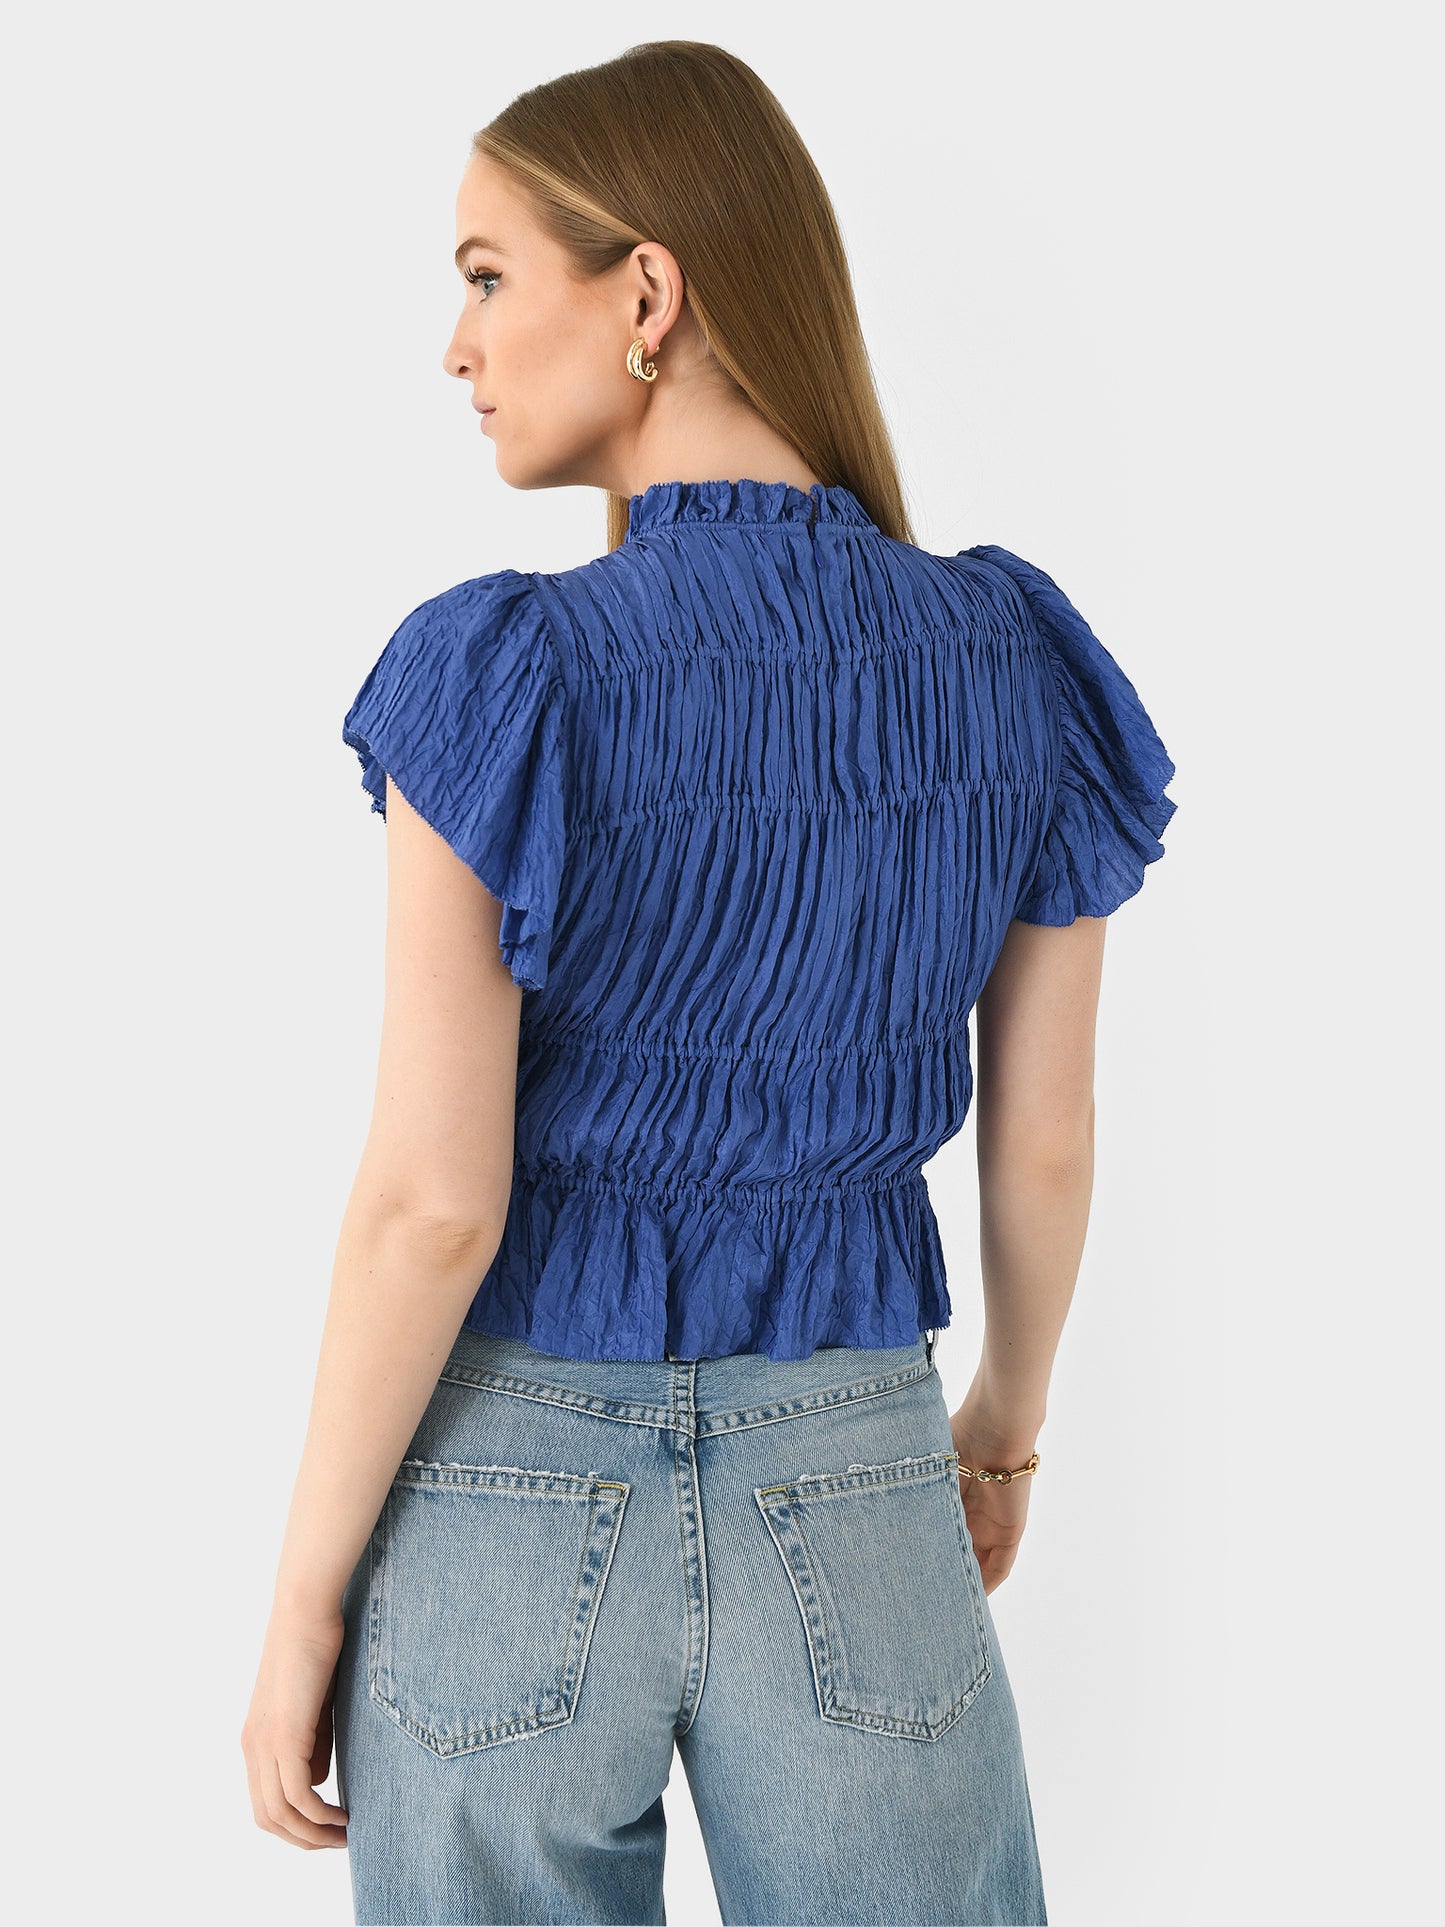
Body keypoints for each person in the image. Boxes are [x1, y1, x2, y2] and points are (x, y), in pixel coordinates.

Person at [240, 38, 1176, 1927]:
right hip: (857, 1466)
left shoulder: (505, 679)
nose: (454, 345)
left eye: (487, 274)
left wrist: (304, 1597)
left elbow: (434, 1207)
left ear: (646, 294)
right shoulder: (1007, 657)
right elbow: (1045, 1140)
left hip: (505, 1482)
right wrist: (1000, 1427)